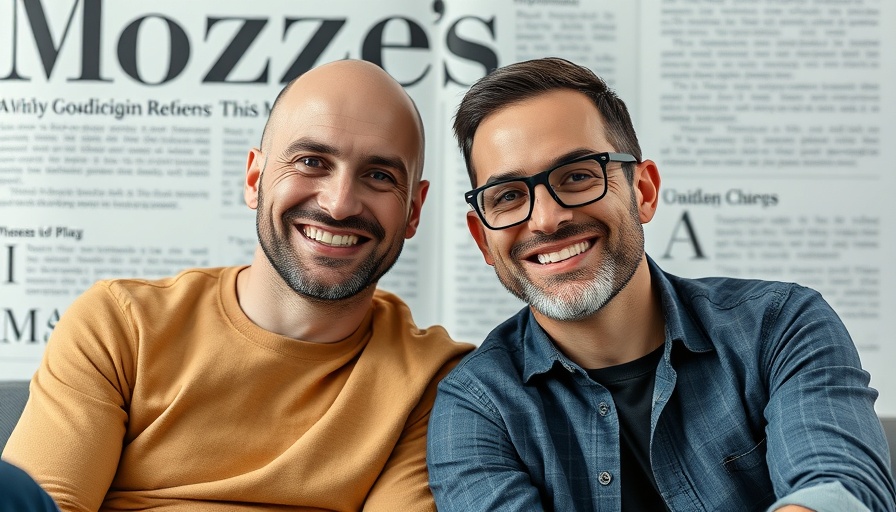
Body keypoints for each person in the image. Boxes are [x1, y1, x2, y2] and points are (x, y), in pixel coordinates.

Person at [426, 57, 896, 512]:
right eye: (508, 196)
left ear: (643, 192)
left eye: (578, 176)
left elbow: (841, 491)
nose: (547, 220)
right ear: (483, 239)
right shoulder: (476, 406)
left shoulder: (780, 325)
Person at [2, 59, 473, 511]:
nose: (340, 204)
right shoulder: (120, 324)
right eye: (311, 161)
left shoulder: (436, 380)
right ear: (255, 178)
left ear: (413, 209)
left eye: (378, 175)